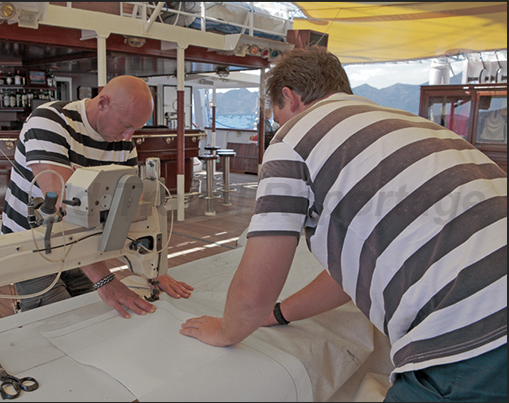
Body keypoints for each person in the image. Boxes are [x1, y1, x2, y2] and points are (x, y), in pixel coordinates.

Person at [180, 48, 507, 402]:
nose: (278, 127)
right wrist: (279, 314)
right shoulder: (408, 123)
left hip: (473, 334)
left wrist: (225, 331)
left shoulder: (294, 139)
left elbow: (255, 288)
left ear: (290, 96)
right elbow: (354, 270)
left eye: (276, 117)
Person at [2, 75, 193, 318]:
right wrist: (105, 282)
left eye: (135, 128)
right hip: (34, 246)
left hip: (83, 246)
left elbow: (128, 211)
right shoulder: (49, 121)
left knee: (92, 321)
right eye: (125, 125)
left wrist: (153, 269)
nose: (128, 137)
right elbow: (65, 212)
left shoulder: (123, 143)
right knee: (59, 326)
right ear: (102, 102)